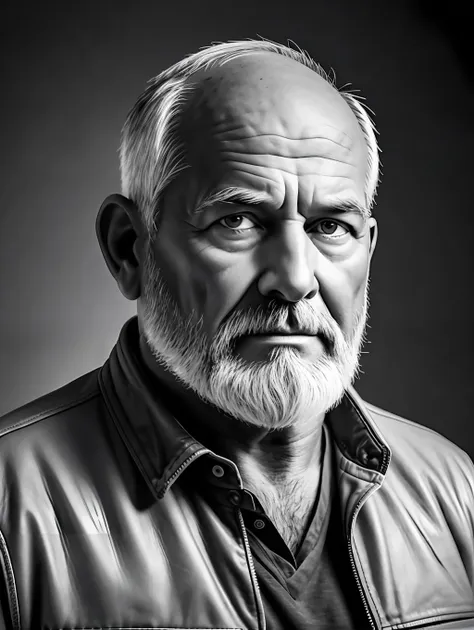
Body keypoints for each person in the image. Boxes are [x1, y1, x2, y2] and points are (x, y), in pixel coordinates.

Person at [0, 38, 473, 630]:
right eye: (238, 221)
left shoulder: (455, 492)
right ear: (130, 249)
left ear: (368, 251)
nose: (296, 280)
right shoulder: (9, 516)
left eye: (331, 226)